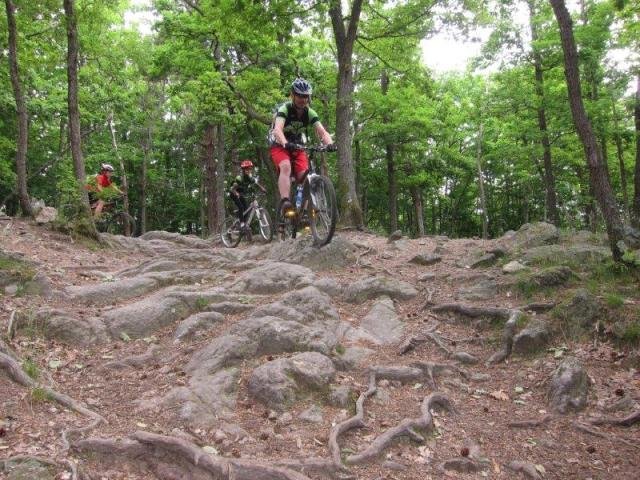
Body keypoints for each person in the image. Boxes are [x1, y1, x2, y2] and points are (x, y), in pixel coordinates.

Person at [269, 78, 335, 221]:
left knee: (304, 177)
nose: (303, 99)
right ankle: (285, 201)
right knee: (285, 166)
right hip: (280, 145)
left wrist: (330, 144)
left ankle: (304, 212)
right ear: (293, 95)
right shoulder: (285, 109)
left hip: (297, 145)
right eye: (300, 96)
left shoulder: (309, 112)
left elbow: (322, 132)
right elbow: (277, 130)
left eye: (306, 96)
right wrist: (285, 143)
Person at [228, 160, 266, 230]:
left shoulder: (249, 177)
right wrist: (236, 193)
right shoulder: (240, 178)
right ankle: (242, 224)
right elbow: (232, 189)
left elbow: (255, 183)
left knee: (246, 208)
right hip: (233, 193)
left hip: (240, 194)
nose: (248, 170)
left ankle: (244, 223)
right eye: (246, 169)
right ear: (243, 170)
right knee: (241, 207)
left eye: (249, 169)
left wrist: (262, 188)